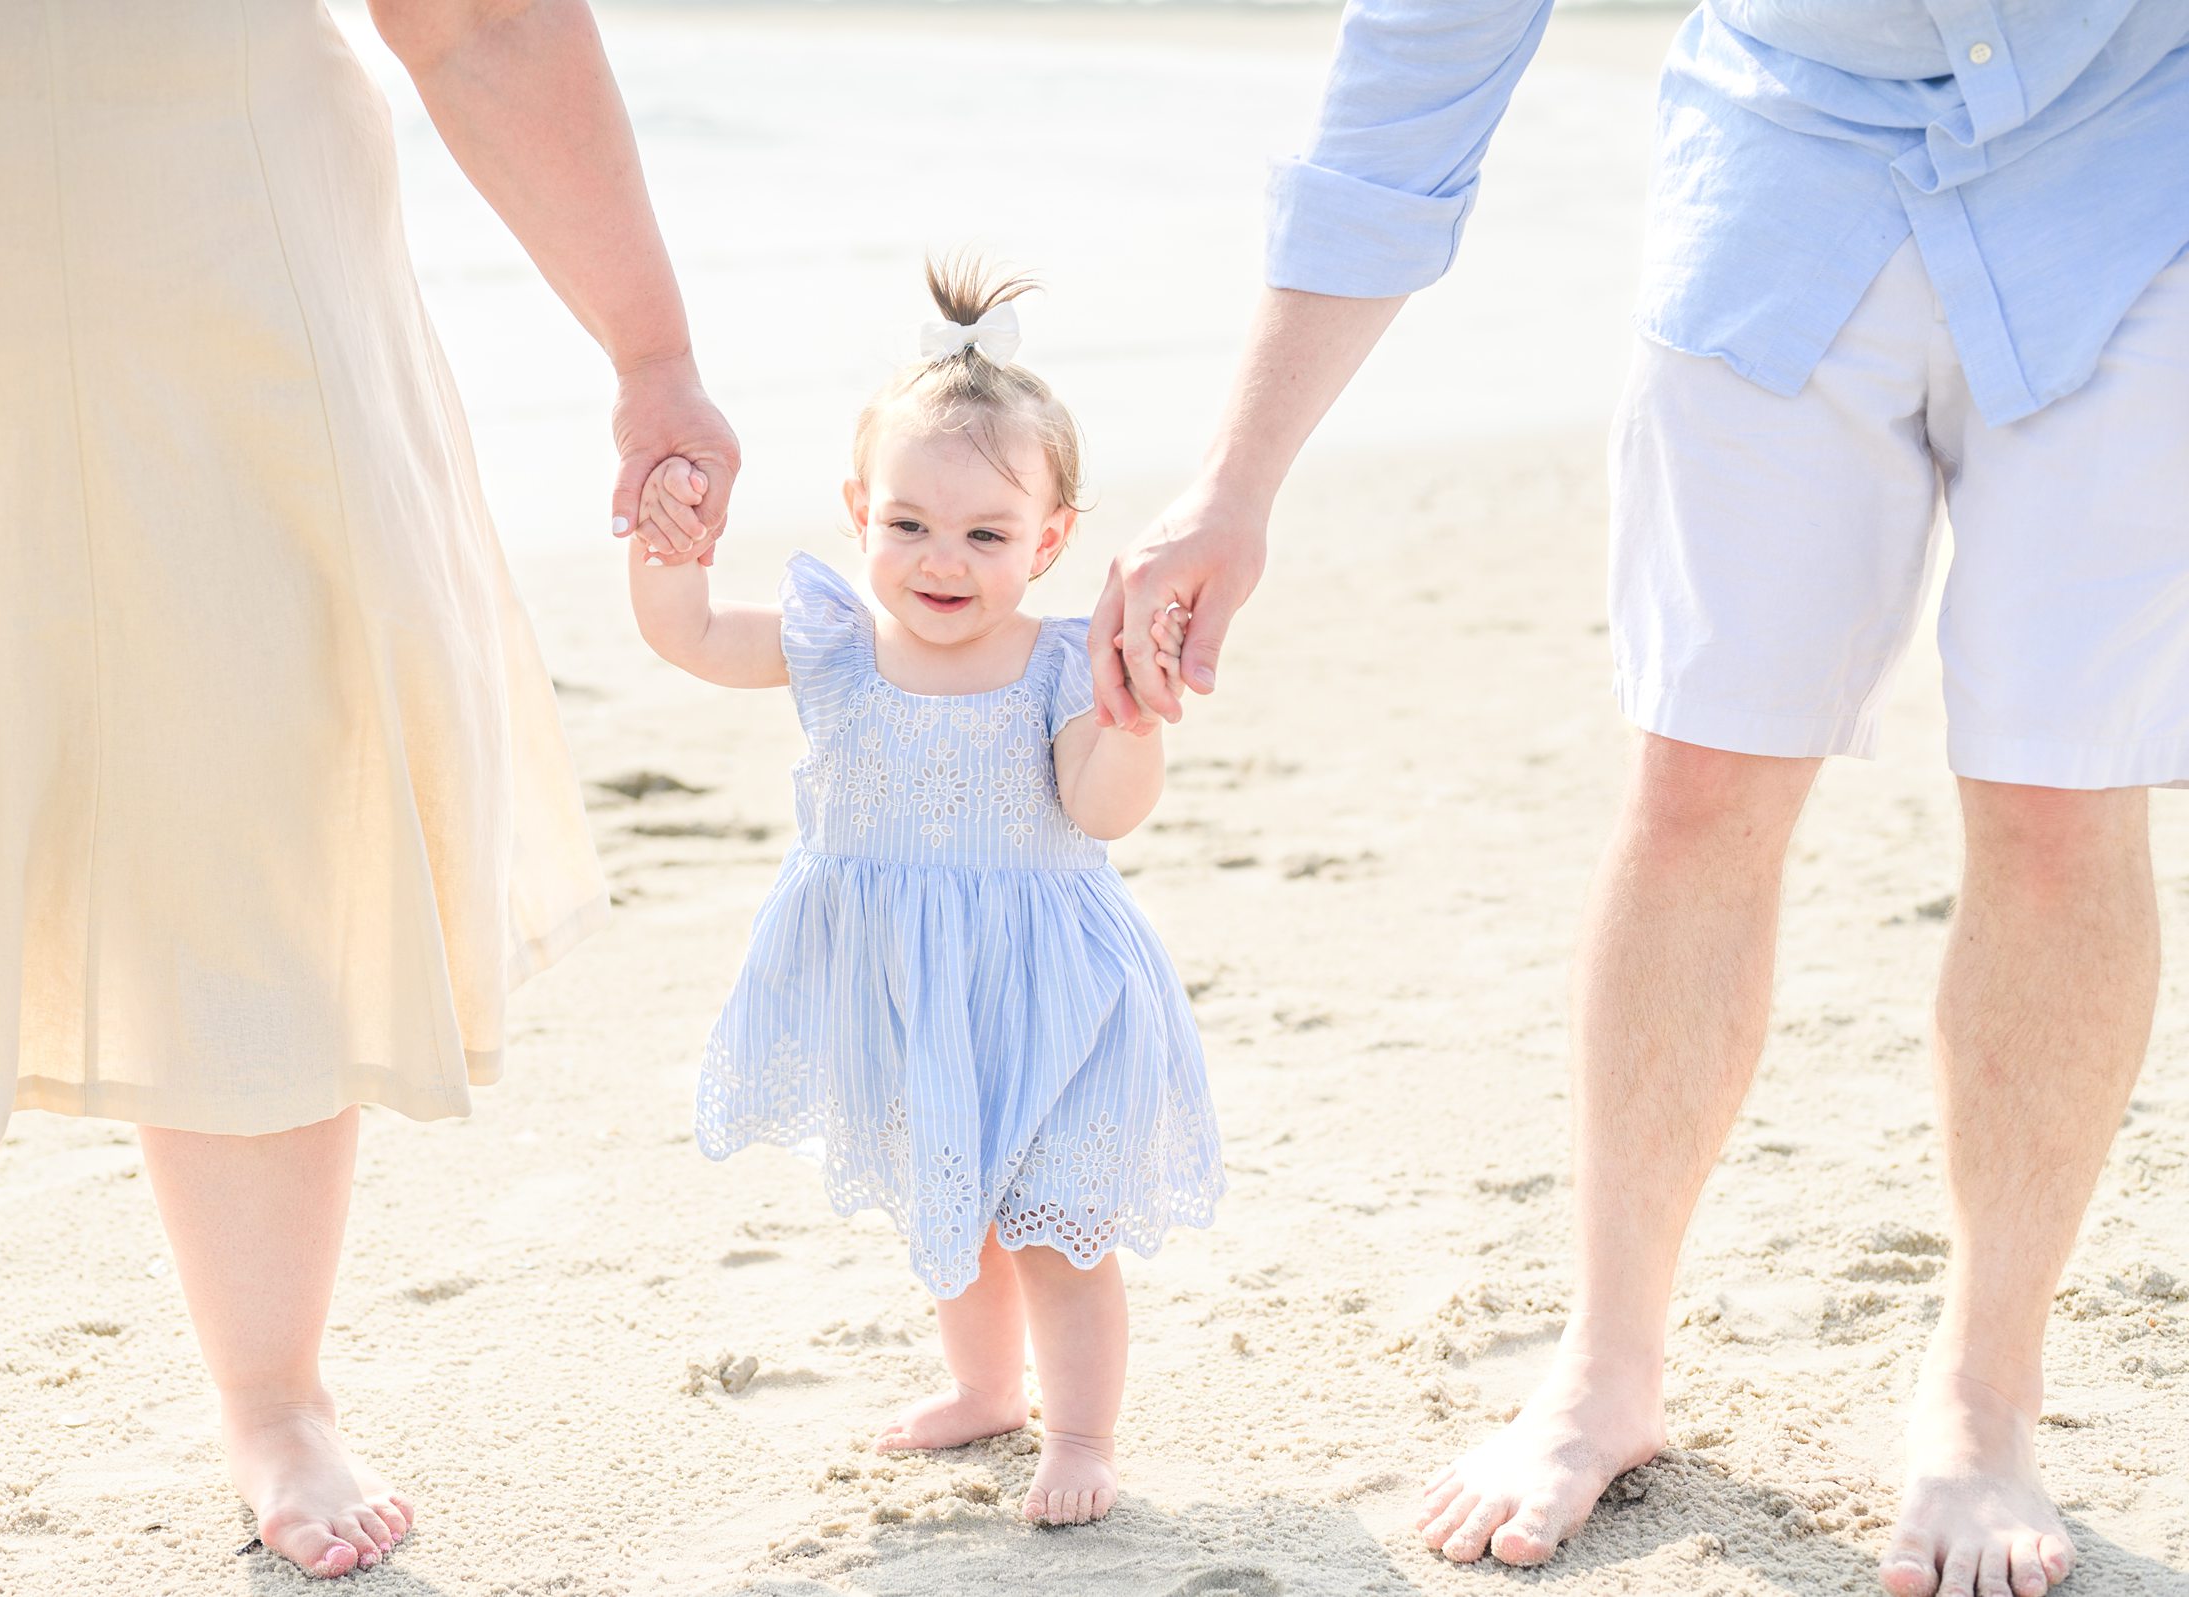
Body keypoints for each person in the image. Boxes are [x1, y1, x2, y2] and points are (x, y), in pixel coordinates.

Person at [1089, 3, 2189, 1593]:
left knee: (2060, 800)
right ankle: (1607, 1368)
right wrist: (1236, 477)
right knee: (1698, 781)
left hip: (2134, 181)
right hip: (1786, 172)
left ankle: (1984, 1399)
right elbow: (1430, 38)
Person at [0, 0, 733, 1587]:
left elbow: (482, 19)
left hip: (242, 263)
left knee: (263, 827)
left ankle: (276, 1397)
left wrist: (653, 352)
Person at [625, 260, 1224, 1528]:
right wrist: (669, 546)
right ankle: (981, 1390)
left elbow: (1105, 808)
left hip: (1048, 993)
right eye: (908, 526)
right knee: (948, 1200)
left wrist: (1135, 709)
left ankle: (1080, 1430)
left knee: (1055, 1228)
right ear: (858, 512)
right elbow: (686, 636)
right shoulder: (834, 646)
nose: (941, 561)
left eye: (988, 536)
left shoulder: (1059, 664)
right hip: (903, 989)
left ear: (1050, 541)